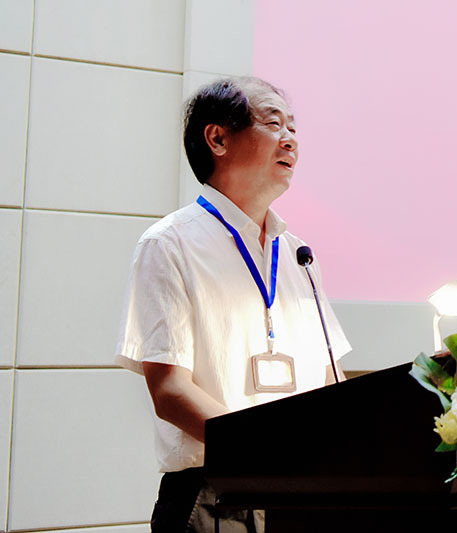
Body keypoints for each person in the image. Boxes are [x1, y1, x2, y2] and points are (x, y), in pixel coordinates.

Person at [114, 77, 351, 532]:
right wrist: (265, 454)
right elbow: (169, 390)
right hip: (211, 495)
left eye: (294, 128)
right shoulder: (170, 244)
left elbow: (330, 381)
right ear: (218, 138)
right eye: (274, 123)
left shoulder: (298, 254)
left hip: (302, 497)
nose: (290, 140)